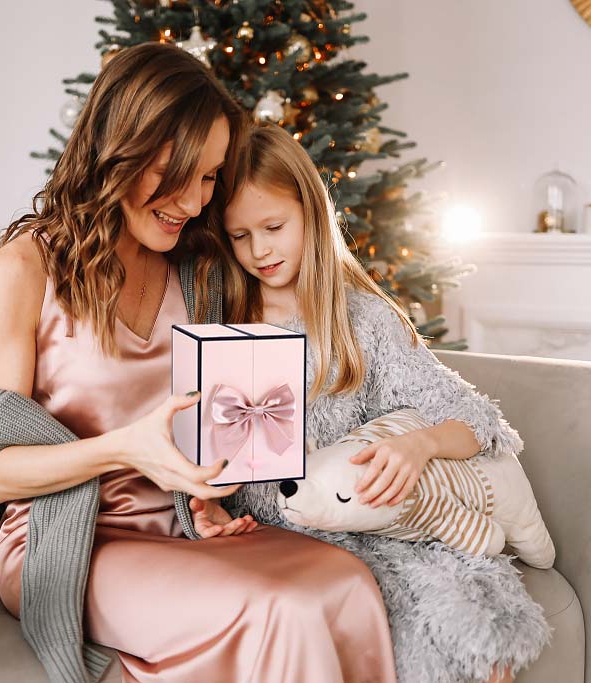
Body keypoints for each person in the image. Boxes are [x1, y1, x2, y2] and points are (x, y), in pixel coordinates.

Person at [0, 44, 397, 683]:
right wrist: (124, 450)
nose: (196, 202)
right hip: (69, 541)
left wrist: (212, 487)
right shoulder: (23, 271)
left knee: (348, 582)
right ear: (122, 148)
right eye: (180, 174)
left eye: (208, 177)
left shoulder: (194, 269)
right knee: (281, 608)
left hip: (184, 528)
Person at [215, 124, 548, 683]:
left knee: (469, 623)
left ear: (312, 215)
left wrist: (419, 445)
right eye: (240, 236)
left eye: (274, 227)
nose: (260, 251)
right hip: (265, 536)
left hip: (368, 527)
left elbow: (475, 419)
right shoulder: (215, 314)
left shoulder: (362, 320)